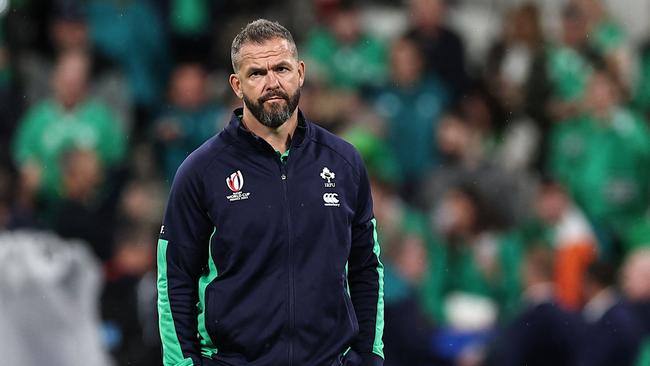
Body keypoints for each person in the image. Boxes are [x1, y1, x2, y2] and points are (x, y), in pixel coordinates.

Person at [157, 19, 384, 366]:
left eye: (281, 68)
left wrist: (368, 357)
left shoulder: (344, 163)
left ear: (301, 72)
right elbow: (174, 278)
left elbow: (367, 267)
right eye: (256, 73)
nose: (272, 83)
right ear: (236, 84)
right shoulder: (201, 171)